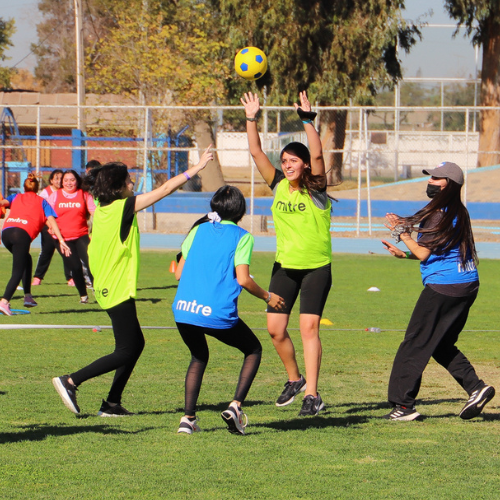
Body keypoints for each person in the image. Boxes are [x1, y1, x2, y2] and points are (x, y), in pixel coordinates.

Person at [52, 147, 213, 416]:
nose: (132, 183)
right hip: (114, 287)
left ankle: (112, 403)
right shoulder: (121, 207)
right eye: (128, 180)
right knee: (127, 349)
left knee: (134, 345)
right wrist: (195, 169)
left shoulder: (105, 206)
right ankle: (70, 381)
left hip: (108, 284)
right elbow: (162, 191)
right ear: (117, 188)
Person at [241, 91, 332, 416]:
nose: (287, 165)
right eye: (284, 161)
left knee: (309, 329)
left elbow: (319, 153)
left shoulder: (317, 189)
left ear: (304, 164)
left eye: (293, 160)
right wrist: (252, 117)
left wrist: (308, 121)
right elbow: (255, 151)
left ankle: (312, 394)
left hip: (315, 269)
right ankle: (294, 379)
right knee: (275, 330)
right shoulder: (278, 184)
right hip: (285, 268)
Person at [381, 161, 495, 421]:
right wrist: (404, 253)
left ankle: (403, 407)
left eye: (437, 178)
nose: (431, 182)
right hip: (465, 285)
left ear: (449, 185)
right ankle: (476, 388)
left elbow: (424, 253)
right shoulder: (456, 211)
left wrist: (403, 233)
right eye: (430, 177)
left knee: (414, 344)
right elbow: (437, 253)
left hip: (446, 287)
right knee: (440, 343)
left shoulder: (440, 213)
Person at [173, 186, 285, 435]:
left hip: (183, 311)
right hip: (215, 312)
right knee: (253, 349)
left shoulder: (198, 230)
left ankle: (187, 419)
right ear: (241, 211)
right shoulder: (243, 236)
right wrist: (268, 296)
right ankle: (235, 407)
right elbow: (244, 280)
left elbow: (179, 273)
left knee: (199, 356)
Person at [0, 173, 70, 316]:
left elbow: (2, 203)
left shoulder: (16, 197)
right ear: (37, 188)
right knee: (17, 271)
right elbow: (52, 221)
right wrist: (61, 240)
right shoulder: (43, 201)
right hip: (21, 235)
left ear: (24, 187)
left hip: (6, 233)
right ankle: (4, 302)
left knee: (27, 259)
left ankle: (28, 296)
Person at [46, 169, 96, 303]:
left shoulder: (84, 195)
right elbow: (46, 214)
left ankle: (98, 291)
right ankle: (83, 296)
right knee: (75, 267)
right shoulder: (54, 196)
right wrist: (50, 226)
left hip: (81, 235)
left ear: (77, 181)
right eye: (66, 180)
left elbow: (94, 212)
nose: (69, 183)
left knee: (91, 263)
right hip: (63, 239)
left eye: (72, 180)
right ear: (62, 182)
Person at [32, 169, 73, 286]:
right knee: (46, 252)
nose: (59, 181)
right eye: (56, 178)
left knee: (66, 251)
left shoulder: (66, 192)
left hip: (62, 226)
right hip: (48, 226)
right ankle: (38, 277)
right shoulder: (45, 193)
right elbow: (41, 212)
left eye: (62, 178)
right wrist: (49, 226)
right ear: (51, 180)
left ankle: (70, 278)